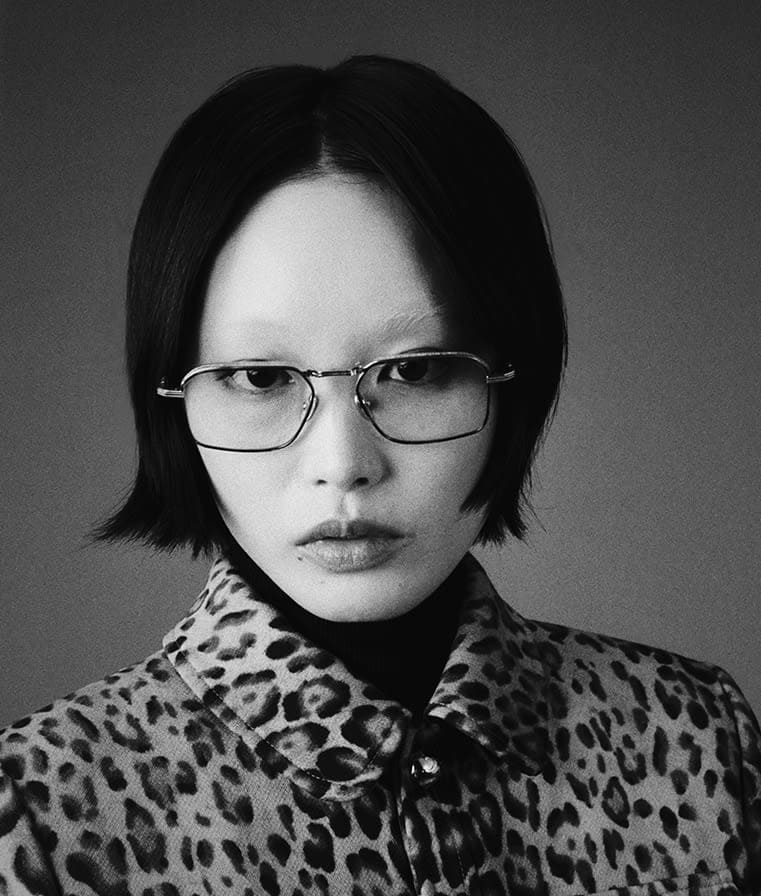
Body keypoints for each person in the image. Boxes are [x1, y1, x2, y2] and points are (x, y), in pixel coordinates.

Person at [0, 54, 758, 896]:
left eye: (415, 370)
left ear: (515, 380)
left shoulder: (697, 741)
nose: (342, 465)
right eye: (260, 377)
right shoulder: (44, 809)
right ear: (173, 397)